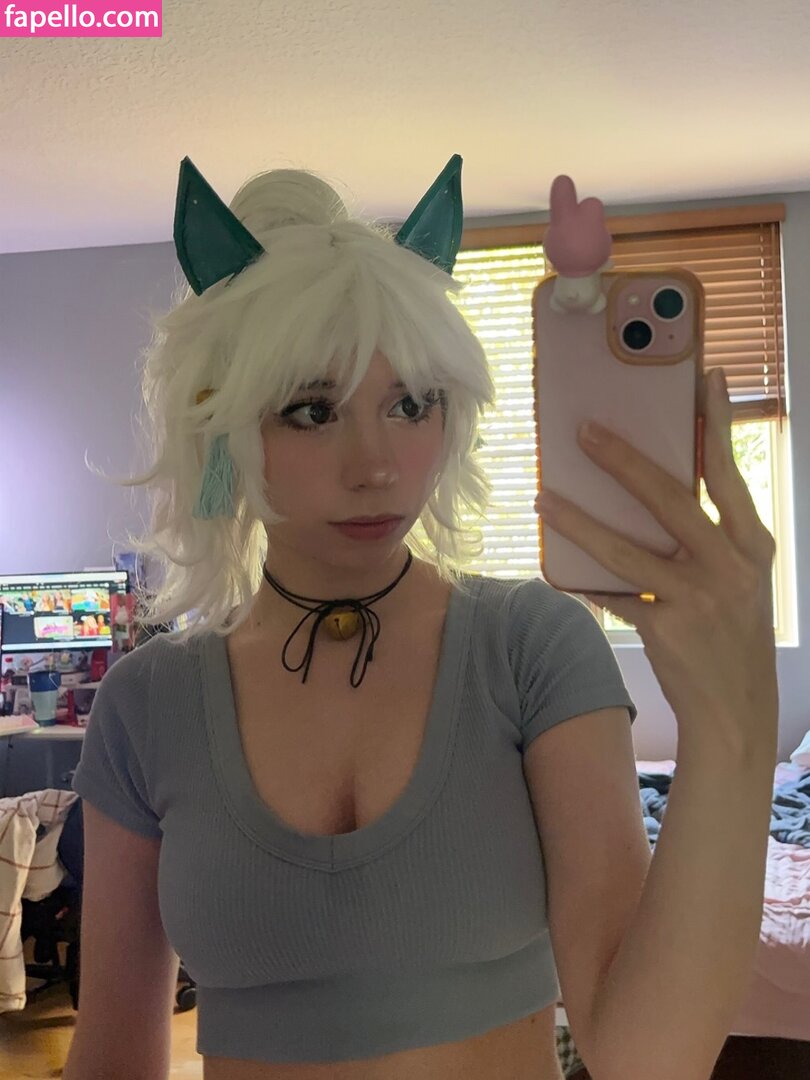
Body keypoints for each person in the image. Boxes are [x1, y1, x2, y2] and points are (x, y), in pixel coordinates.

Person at [64, 156, 779, 1080]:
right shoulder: (146, 704)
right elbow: (112, 1057)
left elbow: (648, 1061)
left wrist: (732, 728)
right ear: (222, 426)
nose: (378, 466)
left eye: (411, 404)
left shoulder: (530, 647)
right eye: (311, 409)